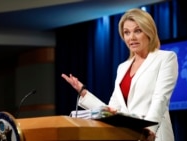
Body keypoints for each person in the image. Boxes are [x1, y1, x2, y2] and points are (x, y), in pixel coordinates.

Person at [61, 8, 178, 141]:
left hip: (153, 136)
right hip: (128, 135)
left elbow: (160, 99)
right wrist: (84, 93)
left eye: (137, 31)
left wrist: (148, 130)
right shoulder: (122, 68)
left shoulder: (165, 58)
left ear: (149, 31)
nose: (131, 37)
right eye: (126, 33)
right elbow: (112, 111)